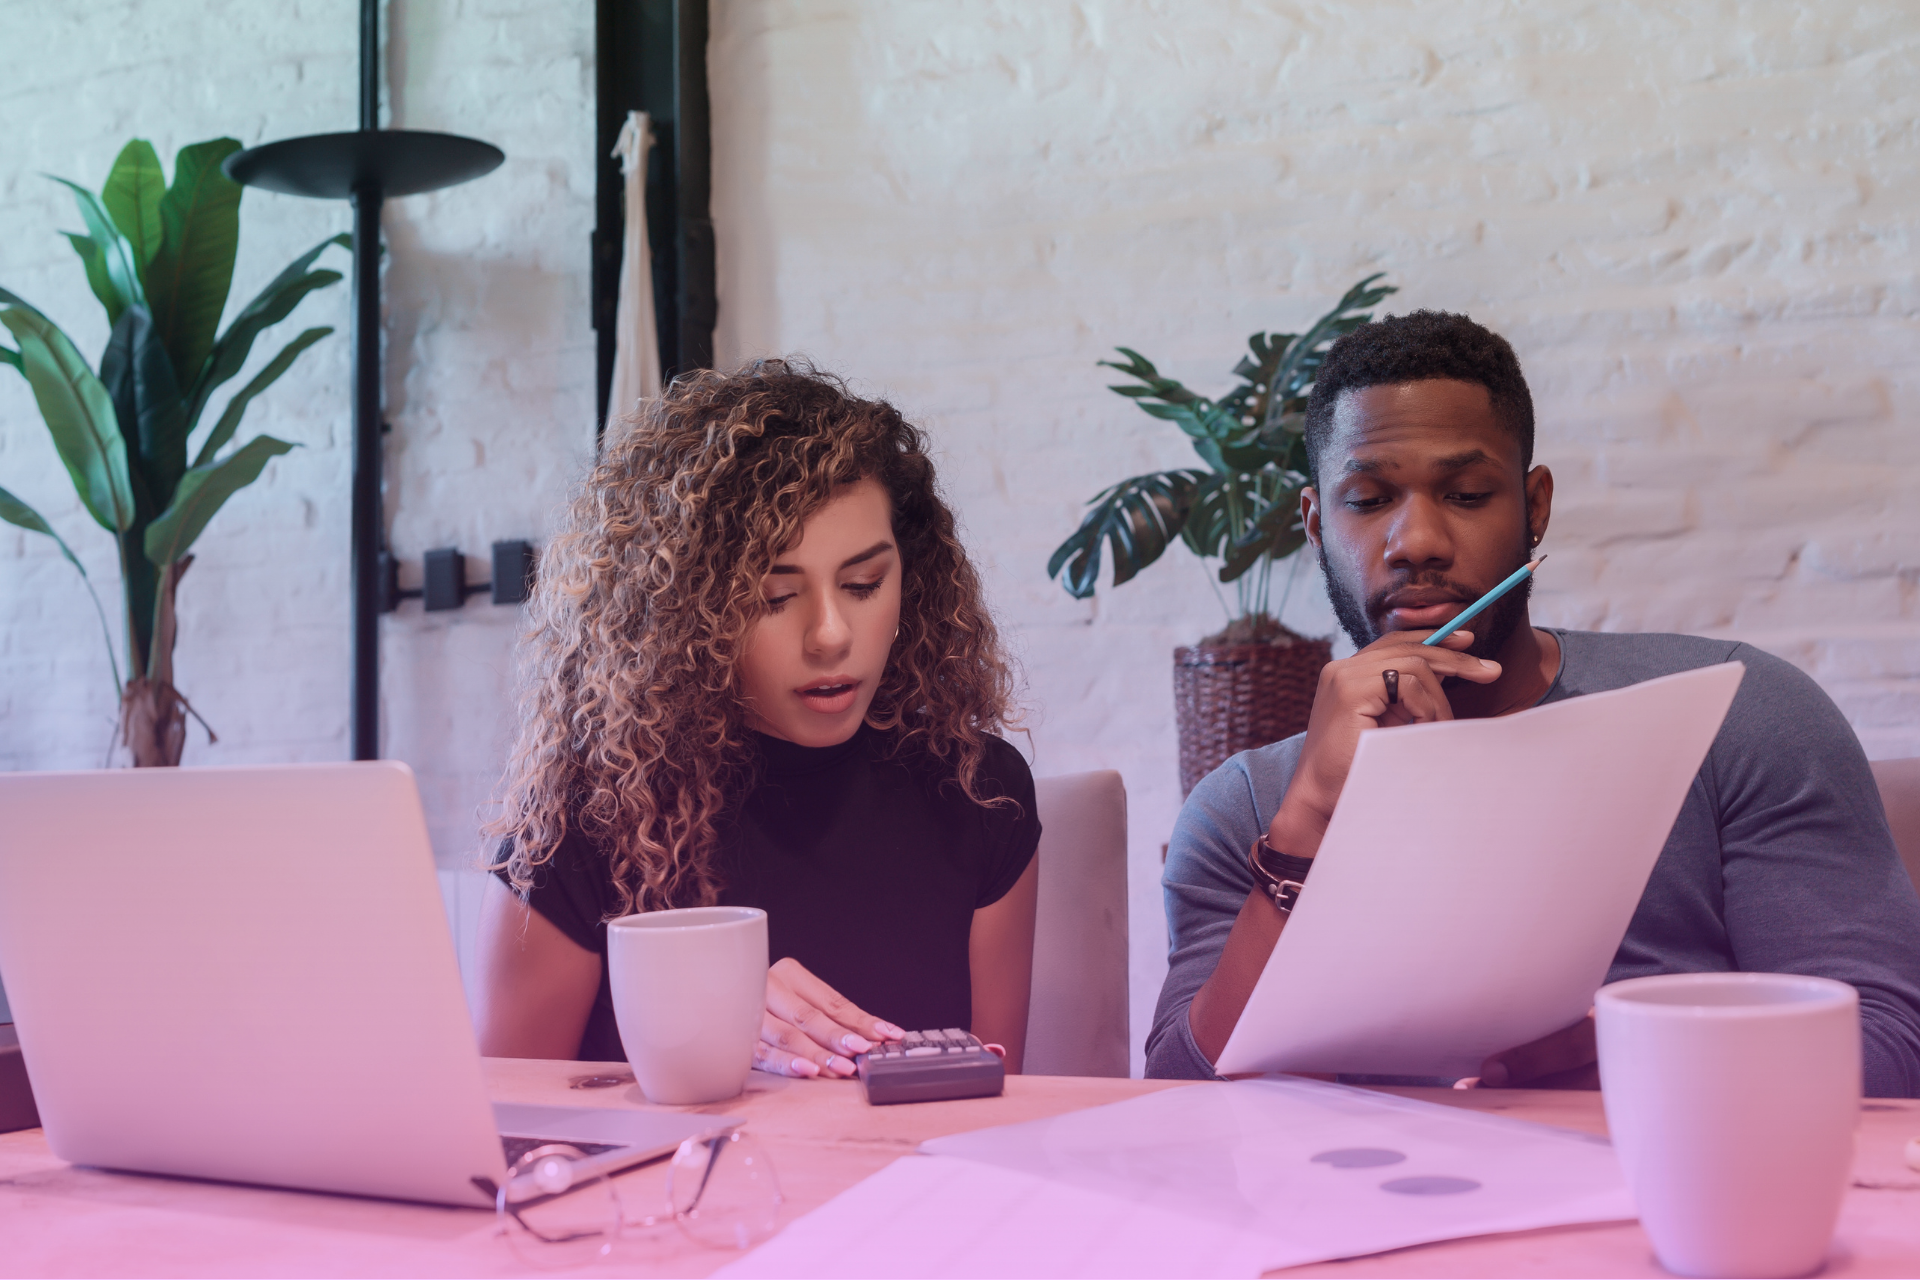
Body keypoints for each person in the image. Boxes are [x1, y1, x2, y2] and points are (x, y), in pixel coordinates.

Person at [1147, 310, 1920, 1097]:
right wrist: (1309, 816)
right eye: (1370, 499)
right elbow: (1178, 1102)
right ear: (1316, 524)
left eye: (1467, 492)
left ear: (1535, 505)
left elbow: (1889, 1046)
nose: (1416, 540)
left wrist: (1647, 1071)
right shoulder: (1245, 809)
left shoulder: (1739, 715)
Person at [476, 361, 1040, 1078]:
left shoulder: (978, 791)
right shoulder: (587, 817)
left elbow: (997, 1103)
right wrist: (692, 1028)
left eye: (865, 584)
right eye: (775, 597)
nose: (831, 634)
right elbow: (507, 1125)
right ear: (686, 613)